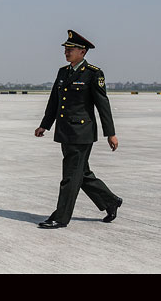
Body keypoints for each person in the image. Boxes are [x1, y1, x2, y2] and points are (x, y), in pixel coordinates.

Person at [35, 29, 122, 229]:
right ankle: (111, 201)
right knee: (81, 174)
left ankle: (61, 217)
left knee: (70, 177)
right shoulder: (63, 72)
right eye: (66, 48)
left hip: (82, 133)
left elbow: (103, 104)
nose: (67, 52)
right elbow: (54, 102)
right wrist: (44, 125)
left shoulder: (93, 73)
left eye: (71, 49)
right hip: (65, 131)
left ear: (82, 52)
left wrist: (111, 133)